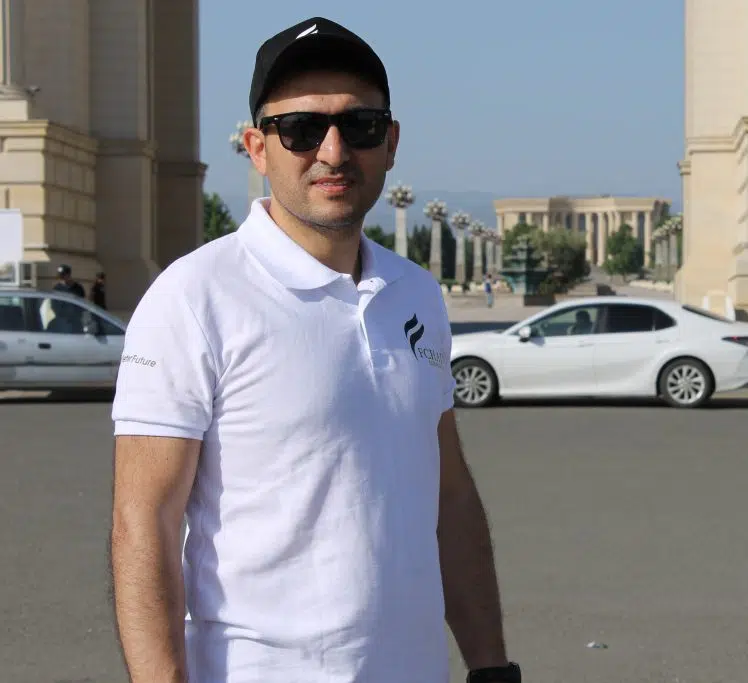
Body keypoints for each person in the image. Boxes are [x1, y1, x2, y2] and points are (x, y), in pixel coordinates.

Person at [109, 17, 520, 683]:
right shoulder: (194, 296)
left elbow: (449, 497)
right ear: (257, 147)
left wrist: (491, 664)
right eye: (300, 129)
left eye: (359, 126)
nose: (333, 150)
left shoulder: (416, 293)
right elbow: (144, 522)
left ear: (390, 143)